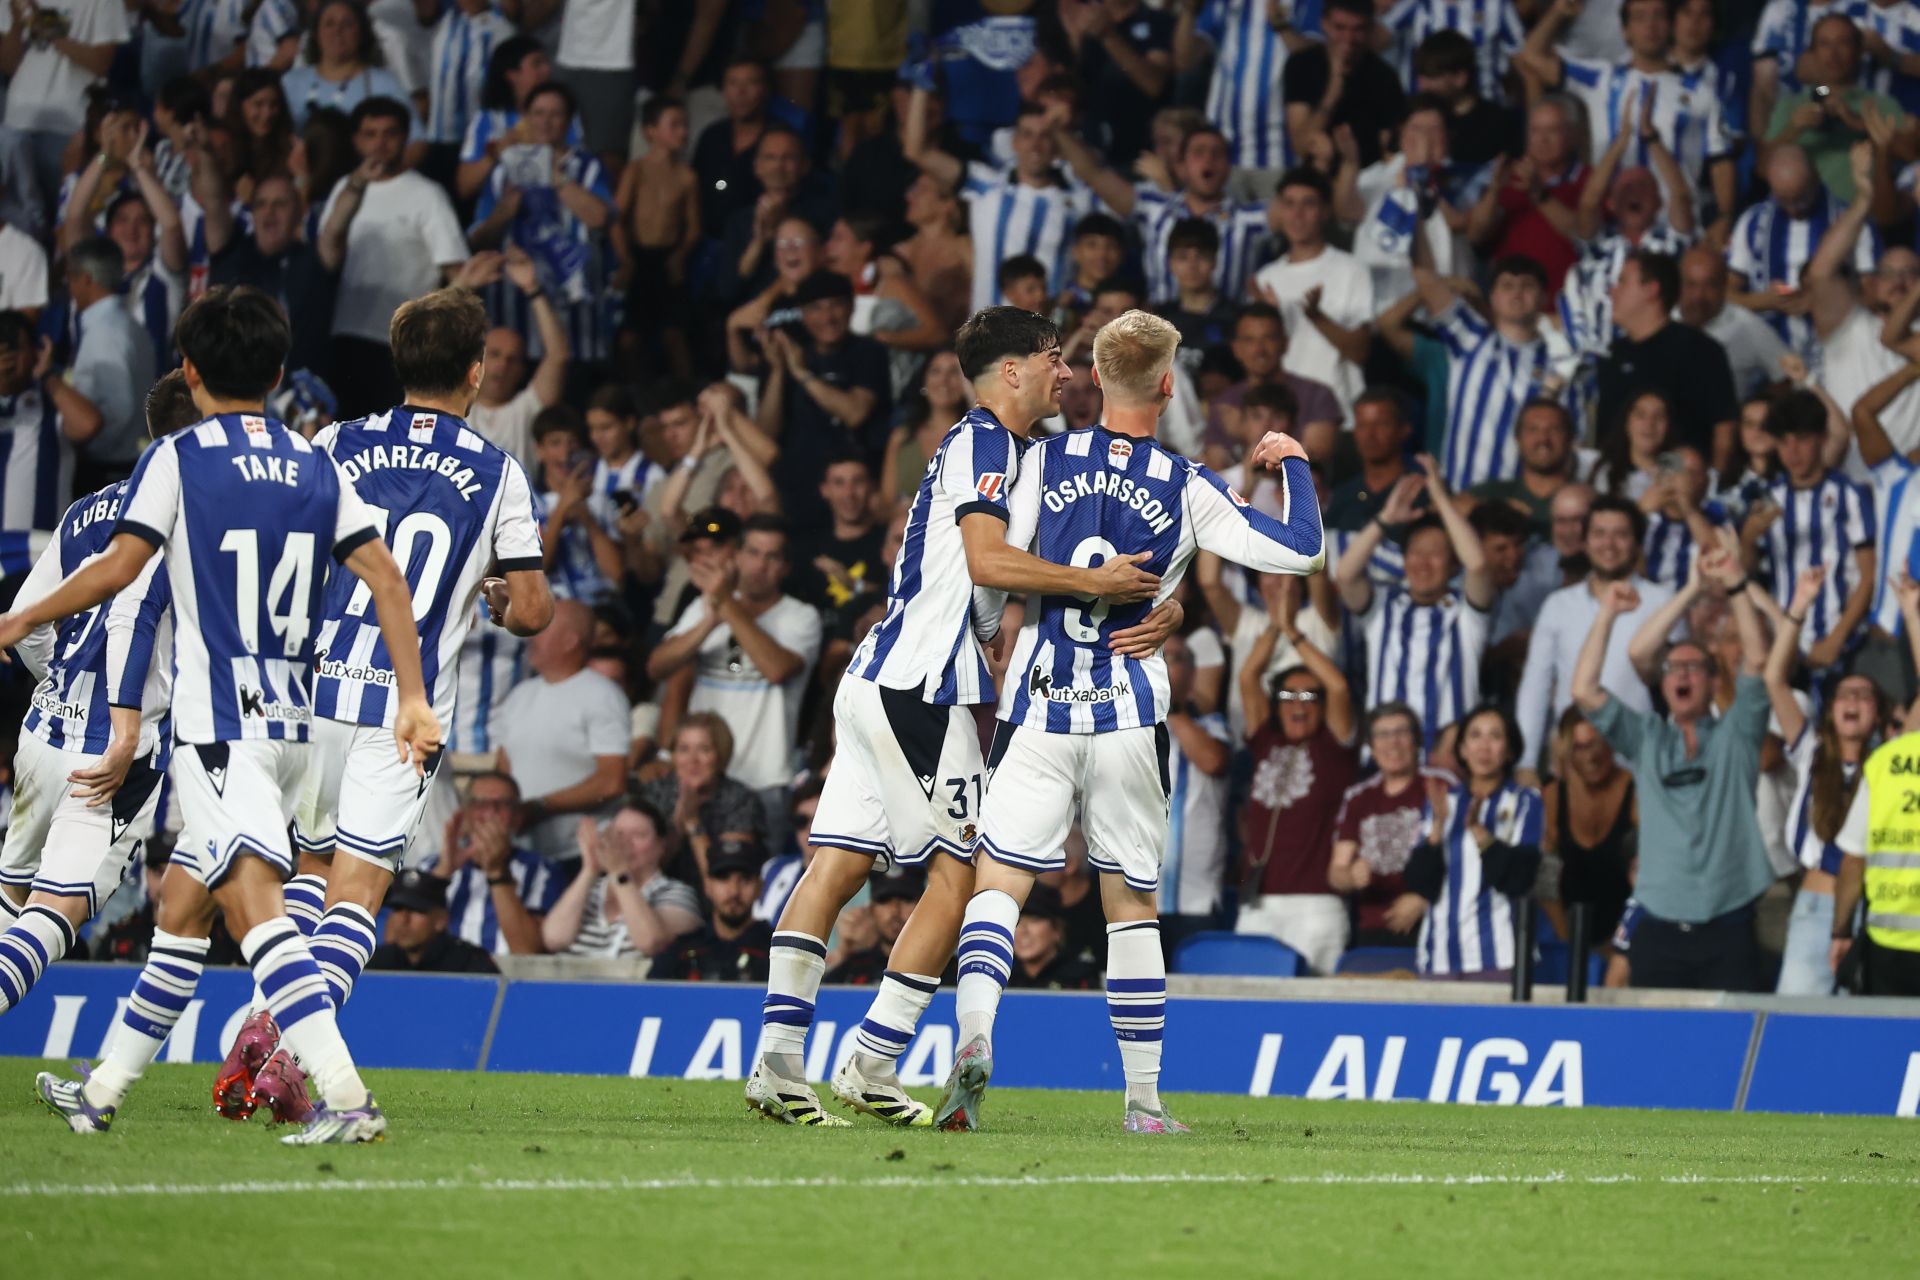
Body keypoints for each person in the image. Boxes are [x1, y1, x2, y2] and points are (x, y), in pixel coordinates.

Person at [19, 285, 437, 1144]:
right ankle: (99, 1096)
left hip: (218, 736)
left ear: (190, 370)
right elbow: (388, 581)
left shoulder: (180, 456)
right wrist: (414, 698)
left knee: (258, 918)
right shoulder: (317, 461)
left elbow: (117, 571)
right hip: (291, 726)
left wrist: (20, 617)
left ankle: (350, 1102)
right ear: (279, 372)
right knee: (180, 911)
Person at [745, 306, 1164, 1130]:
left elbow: (966, 574)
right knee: (964, 875)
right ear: (1011, 372)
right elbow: (985, 558)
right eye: (1052, 359)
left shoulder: (997, 451)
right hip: (919, 691)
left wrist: (991, 630)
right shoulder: (983, 443)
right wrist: (1095, 585)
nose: (1066, 373)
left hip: (880, 676)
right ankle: (873, 1058)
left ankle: (778, 1063)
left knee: (833, 867)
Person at [940, 308, 1323, 1134]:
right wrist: (1292, 463)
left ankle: (973, 1039)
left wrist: (988, 636)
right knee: (1130, 907)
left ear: (1097, 381)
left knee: (1000, 887)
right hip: (1129, 714)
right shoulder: (1188, 484)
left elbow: (990, 571)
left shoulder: (1040, 459)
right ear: (1168, 385)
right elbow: (1300, 552)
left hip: (1038, 706)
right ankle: (1143, 1103)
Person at [286, 285, 551, 1027]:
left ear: (399, 364)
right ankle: (286, 1049)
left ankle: (268, 1020)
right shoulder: (500, 474)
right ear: (475, 372)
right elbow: (531, 612)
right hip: (406, 711)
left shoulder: (334, 442)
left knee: (309, 867)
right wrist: (494, 597)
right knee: (360, 891)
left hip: (318, 692)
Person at [0, 374, 174, 1017]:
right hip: (112, 755)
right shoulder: (192, 523)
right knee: (61, 907)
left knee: (12, 893)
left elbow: (25, 619)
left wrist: (63, 679)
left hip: (44, 730)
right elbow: (138, 619)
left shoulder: (88, 508)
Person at [1574, 547, 1775, 991]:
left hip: (1729, 922)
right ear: (1662, 683)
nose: (1682, 674)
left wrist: (1737, 583)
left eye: (1694, 668)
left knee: (1729, 1047)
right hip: (1659, 925)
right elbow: (1584, 690)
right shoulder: (1647, 737)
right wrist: (1608, 613)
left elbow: (1758, 661)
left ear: (1712, 680)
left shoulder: (1737, 734)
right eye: (1673, 668)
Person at [1766, 566, 1909, 995]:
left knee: (1859, 1028)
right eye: (1844, 694)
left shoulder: (1889, 761)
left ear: (1880, 715)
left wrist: (1912, 618)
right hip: (1815, 905)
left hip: (1872, 909)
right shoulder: (1810, 750)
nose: (1853, 701)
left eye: (1865, 696)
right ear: (1829, 710)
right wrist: (1799, 606)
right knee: (1795, 1025)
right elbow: (1775, 679)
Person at [649, 515, 821, 827]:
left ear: (785, 567)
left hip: (765, 781)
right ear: (737, 557)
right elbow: (657, 666)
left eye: (772, 557)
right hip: (703, 778)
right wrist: (707, 624)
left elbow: (778, 670)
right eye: (753, 553)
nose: (760, 565)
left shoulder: (801, 617)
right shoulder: (704, 607)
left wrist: (725, 603)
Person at [1235, 581, 1359, 976]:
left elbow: (1337, 685)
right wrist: (1275, 624)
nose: (1298, 706)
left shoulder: (1334, 748)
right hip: (1257, 904)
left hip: (1317, 904)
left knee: (1310, 1008)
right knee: (1242, 1004)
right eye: (1288, 697)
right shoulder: (1265, 740)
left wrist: (1293, 633)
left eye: (1309, 697)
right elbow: (1248, 677)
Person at [319, 97, 470, 418]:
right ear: (356, 140)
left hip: (403, 344)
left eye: (390, 133)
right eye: (370, 134)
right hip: (346, 337)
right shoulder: (345, 189)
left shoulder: (428, 195)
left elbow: (456, 271)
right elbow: (326, 259)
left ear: (404, 138)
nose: (380, 143)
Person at [1334, 464, 1493, 748]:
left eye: (1435, 554)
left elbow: (1479, 565)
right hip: (1383, 762)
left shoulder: (1467, 614)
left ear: (1454, 564)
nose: (1423, 563)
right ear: (1404, 561)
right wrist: (1385, 519)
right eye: (1416, 553)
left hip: (1447, 761)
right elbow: (1345, 574)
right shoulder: (1383, 606)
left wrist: (1441, 500)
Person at [1515, 495, 1672, 776]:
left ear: (1637, 544)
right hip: (1570, 769)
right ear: (1585, 542)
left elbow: (1676, 683)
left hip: (1643, 766)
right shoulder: (1557, 605)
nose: (1609, 545)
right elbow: (1535, 686)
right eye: (1599, 534)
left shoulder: (1662, 601)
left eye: (1621, 535)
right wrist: (1525, 761)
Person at [905, 88, 1094, 313]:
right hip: (989, 338)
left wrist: (1065, 128)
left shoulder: (1076, 202)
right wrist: (920, 87)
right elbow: (917, 151)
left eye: (1045, 136)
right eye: (1027, 135)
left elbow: (1096, 171)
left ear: (1057, 146)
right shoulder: (985, 184)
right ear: (1015, 142)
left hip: (1047, 336)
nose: (1035, 144)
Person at [1402, 706, 1544, 981]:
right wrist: (1437, 830)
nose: (1484, 746)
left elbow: (1518, 879)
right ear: (1463, 750)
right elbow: (1419, 884)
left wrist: (1479, 832)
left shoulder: (1526, 801)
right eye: (1475, 736)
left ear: (1510, 750)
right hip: (1439, 956)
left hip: (1501, 956)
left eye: (1495, 736)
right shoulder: (1442, 803)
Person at [495, 599, 631, 865]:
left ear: (570, 641)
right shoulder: (519, 696)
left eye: (542, 628)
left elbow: (612, 781)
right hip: (521, 853)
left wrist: (541, 807)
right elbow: (504, 769)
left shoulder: (603, 695)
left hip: (580, 856)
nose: (531, 636)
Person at [1410, 257, 1559, 492]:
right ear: (1493, 297)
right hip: (1463, 498)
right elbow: (1424, 277)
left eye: (1527, 285)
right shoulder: (1471, 338)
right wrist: (1416, 219)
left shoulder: (1560, 362)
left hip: (1525, 504)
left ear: (1544, 298)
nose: (1517, 294)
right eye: (1507, 285)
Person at [1755, 389, 1874, 670]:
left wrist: (1836, 638)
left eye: (1802, 440)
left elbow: (1869, 575)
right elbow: (1747, 571)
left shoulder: (1850, 494)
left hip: (1845, 644)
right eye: (1783, 441)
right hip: (1783, 644)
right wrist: (1748, 538)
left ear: (1822, 437)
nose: (1792, 452)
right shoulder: (1765, 499)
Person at [1594, 250, 1739, 469]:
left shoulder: (1699, 350)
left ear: (1651, 289)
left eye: (1622, 282)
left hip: (1676, 488)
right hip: (1615, 488)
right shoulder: (1613, 354)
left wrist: (1713, 490)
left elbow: (1724, 429)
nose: (1612, 291)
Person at [1252, 167, 1372, 415]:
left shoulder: (1352, 270)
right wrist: (1272, 323)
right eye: (1290, 204)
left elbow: (1361, 351)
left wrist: (1317, 317)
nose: (1298, 214)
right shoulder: (1266, 278)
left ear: (1325, 211)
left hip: (1340, 414)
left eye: (1308, 204)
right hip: (1282, 418)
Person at [1330, 703, 1443, 949]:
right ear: (1371, 747)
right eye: (1383, 735)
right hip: (1373, 927)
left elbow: (1461, 856)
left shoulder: (1439, 786)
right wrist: (1350, 877)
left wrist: (1425, 897)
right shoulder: (1358, 796)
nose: (1393, 743)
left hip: (1434, 924)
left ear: (1417, 741)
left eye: (1402, 733)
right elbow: (1336, 871)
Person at [541, 801, 704, 959]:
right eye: (618, 834)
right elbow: (554, 940)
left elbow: (652, 943)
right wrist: (589, 869)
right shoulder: (590, 890)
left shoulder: (676, 893)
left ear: (661, 846)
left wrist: (619, 872)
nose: (624, 843)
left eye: (638, 835)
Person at [614, 97, 700, 378]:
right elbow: (618, 217)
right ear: (650, 131)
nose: (683, 132)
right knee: (631, 336)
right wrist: (625, 259)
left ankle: (685, 393)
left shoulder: (687, 177)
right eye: (674, 125)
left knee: (674, 335)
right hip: (638, 257)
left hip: (668, 259)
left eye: (685, 125)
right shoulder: (636, 170)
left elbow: (693, 227)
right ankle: (634, 393)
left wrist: (680, 255)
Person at [432, 771, 561, 956]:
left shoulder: (543, 872)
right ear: (465, 814)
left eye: (502, 805)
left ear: (517, 817)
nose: (491, 813)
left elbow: (526, 952)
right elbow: (397, 941)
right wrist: (442, 873)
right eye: (480, 804)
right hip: (443, 978)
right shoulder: (431, 867)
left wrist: (496, 871)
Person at [1158, 632, 1231, 955]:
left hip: (1197, 898)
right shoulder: (1125, 727)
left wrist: (1170, 705)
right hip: (1136, 896)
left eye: (1172, 658)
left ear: (1191, 672)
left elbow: (1212, 760)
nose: (1160, 664)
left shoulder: (1212, 725)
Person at [0, 309, 99, 549]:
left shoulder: (51, 402)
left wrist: (47, 375)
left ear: (35, 350)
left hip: (39, 556)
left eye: (16, 348)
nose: (8, 359)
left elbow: (88, 425)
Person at [1541, 705, 1638, 948]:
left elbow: (1649, 877)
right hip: (1568, 937)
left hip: (1625, 937)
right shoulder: (1553, 796)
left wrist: (1621, 942)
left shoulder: (1636, 791)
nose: (1591, 757)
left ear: (1612, 743)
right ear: (1567, 751)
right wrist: (1568, 944)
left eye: (1596, 743)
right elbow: (1544, 879)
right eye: (1580, 747)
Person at [1473, 96, 1588, 297]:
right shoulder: (1508, 178)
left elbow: (1584, 234)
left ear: (1572, 134)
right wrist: (1494, 191)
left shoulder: (1588, 179)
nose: (1542, 140)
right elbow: (1476, 235)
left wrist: (1539, 195)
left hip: (1567, 303)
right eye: (1535, 131)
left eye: (1552, 130)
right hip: (1511, 304)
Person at [65, 236, 155, 488]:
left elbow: (118, 411)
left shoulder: (106, 333)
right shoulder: (131, 326)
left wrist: (84, 446)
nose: (68, 287)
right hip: (122, 465)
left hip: (106, 472)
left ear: (86, 279)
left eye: (71, 277)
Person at [633, 712, 768, 879]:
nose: (692, 760)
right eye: (683, 749)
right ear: (673, 756)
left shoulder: (741, 800)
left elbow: (725, 881)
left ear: (720, 755)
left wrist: (692, 822)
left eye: (704, 749)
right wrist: (678, 824)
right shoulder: (655, 793)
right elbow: (642, 872)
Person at [463, 256, 567, 472]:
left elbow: (558, 355)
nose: (503, 366)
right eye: (495, 355)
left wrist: (533, 289)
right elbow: (420, 340)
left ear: (521, 370)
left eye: (512, 359)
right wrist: (462, 287)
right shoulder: (452, 408)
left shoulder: (527, 408)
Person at [1281, 0, 1407, 169]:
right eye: (1340, 28)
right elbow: (1301, 146)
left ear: (1370, 28)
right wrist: (1333, 90)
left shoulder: (1384, 77)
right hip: (1316, 175)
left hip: (1365, 178)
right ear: (1324, 24)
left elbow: (1386, 146)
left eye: (1358, 29)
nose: (1349, 39)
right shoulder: (1302, 65)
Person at [648, 839, 775, 982]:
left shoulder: (779, 952)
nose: (734, 891)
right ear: (707, 886)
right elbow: (651, 997)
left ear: (760, 887)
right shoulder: (681, 952)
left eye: (745, 879)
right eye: (723, 878)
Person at [1676, 246, 1790, 400]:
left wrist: (1758, 410)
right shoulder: (1659, 318)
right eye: (1691, 284)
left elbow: (1788, 376)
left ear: (1724, 286)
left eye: (1710, 285)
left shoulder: (1746, 324)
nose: (1699, 296)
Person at [280, 0, 413, 129]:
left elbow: (415, 139)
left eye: (347, 24)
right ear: (316, 33)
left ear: (361, 32)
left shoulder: (385, 83)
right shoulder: (290, 82)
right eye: (329, 24)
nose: (338, 30)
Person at [364, 869, 498, 974]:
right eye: (398, 909)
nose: (404, 919)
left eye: (416, 910)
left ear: (440, 920)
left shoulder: (469, 963)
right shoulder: (377, 962)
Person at [826, 865, 924, 985]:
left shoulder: (948, 972)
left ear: (922, 907)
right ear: (871, 909)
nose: (895, 911)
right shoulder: (850, 973)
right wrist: (843, 953)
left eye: (906, 900)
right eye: (884, 900)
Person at [1003, 883, 1101, 990]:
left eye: (1034, 920)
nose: (1023, 930)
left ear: (1057, 930)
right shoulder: (999, 973)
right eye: (1017, 921)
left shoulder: (1080, 978)